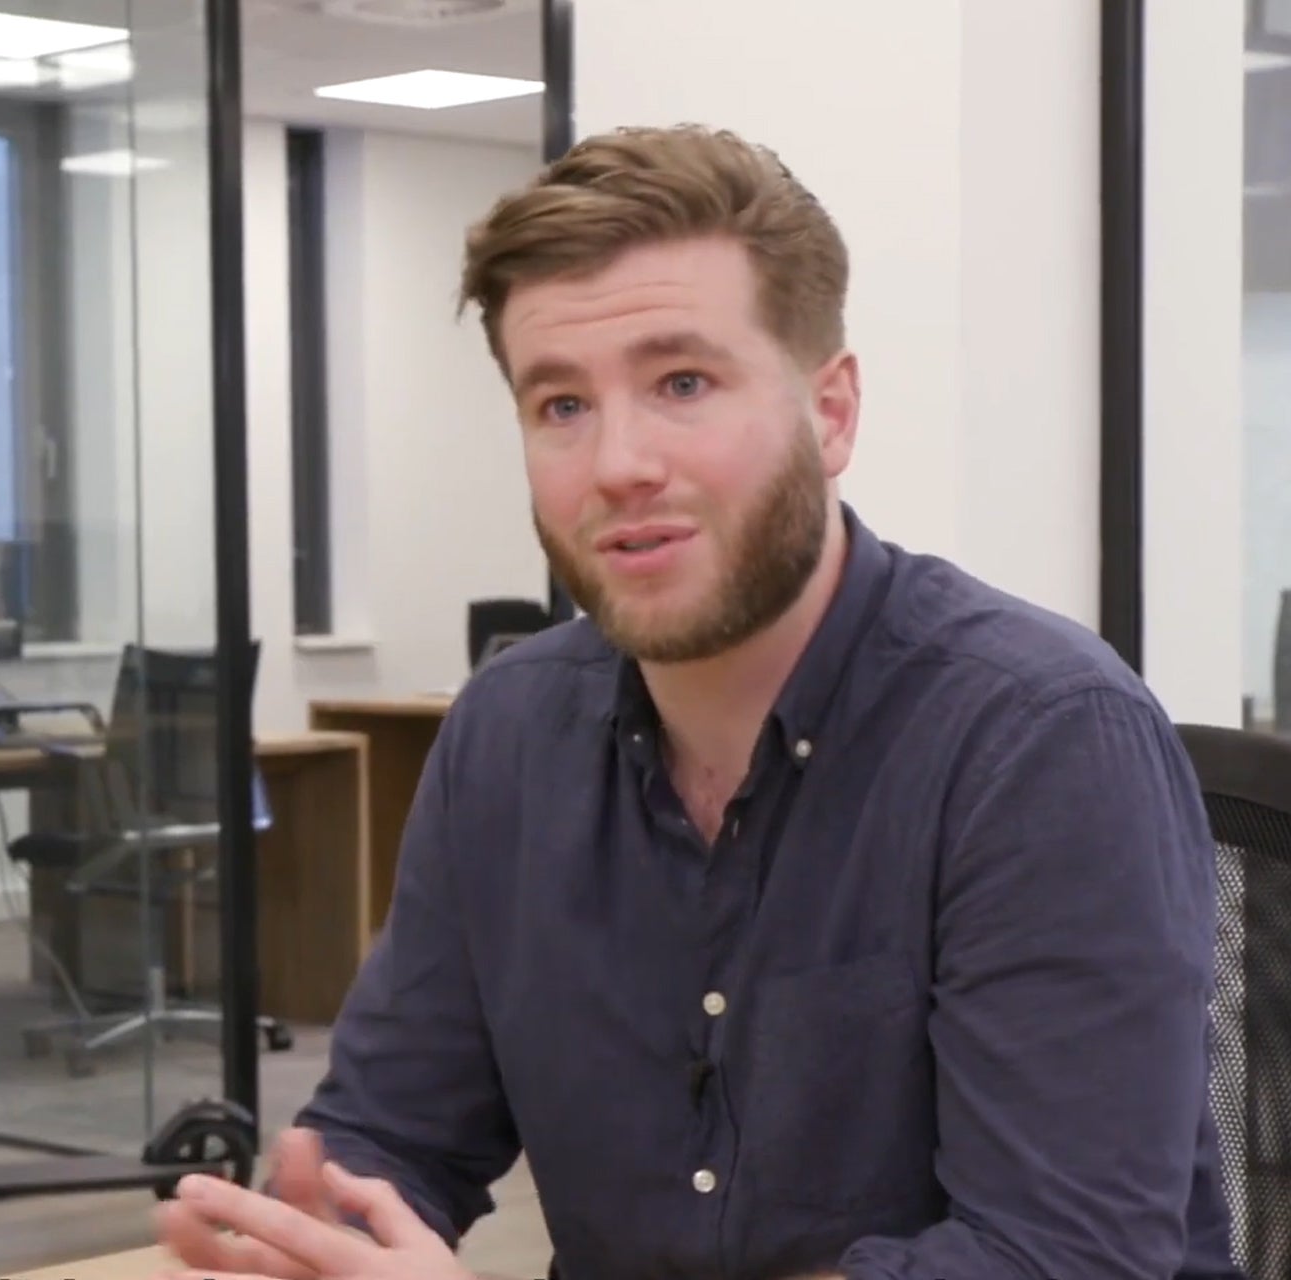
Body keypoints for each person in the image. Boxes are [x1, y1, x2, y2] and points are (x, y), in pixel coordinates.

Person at [154, 124, 1243, 1280]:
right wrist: (315, 1233)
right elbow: (390, 1134)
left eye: (682, 382)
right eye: (561, 404)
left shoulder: (1040, 739)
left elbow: (1047, 1260)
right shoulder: (508, 735)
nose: (618, 461)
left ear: (830, 414)